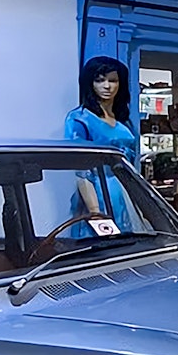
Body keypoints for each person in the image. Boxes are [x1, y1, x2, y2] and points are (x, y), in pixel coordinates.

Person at [65, 57, 138, 235]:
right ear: (90, 83)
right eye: (99, 80)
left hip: (125, 193)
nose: (107, 86)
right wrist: (95, 210)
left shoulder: (124, 121)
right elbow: (80, 170)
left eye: (113, 80)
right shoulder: (79, 119)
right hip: (96, 192)